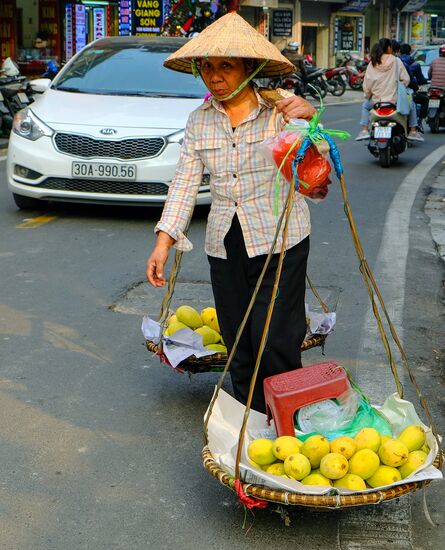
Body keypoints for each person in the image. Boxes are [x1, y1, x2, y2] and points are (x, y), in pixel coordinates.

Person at [146, 12, 315, 413]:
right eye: (207, 66)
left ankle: (286, 424)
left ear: (248, 68)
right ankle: (251, 428)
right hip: (226, 242)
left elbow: (313, 170)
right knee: (239, 342)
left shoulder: (279, 113)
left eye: (226, 66)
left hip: (281, 240)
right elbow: (185, 184)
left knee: (276, 341)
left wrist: (308, 121)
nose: (215, 75)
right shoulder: (199, 122)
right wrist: (163, 242)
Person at [355, 38, 423, 142]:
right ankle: (413, 131)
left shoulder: (373, 62)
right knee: (412, 105)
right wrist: (401, 87)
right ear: (388, 47)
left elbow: (367, 84)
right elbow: (406, 79)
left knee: (365, 105)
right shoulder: (396, 61)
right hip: (395, 101)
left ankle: (364, 130)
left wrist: (368, 95)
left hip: (377, 102)